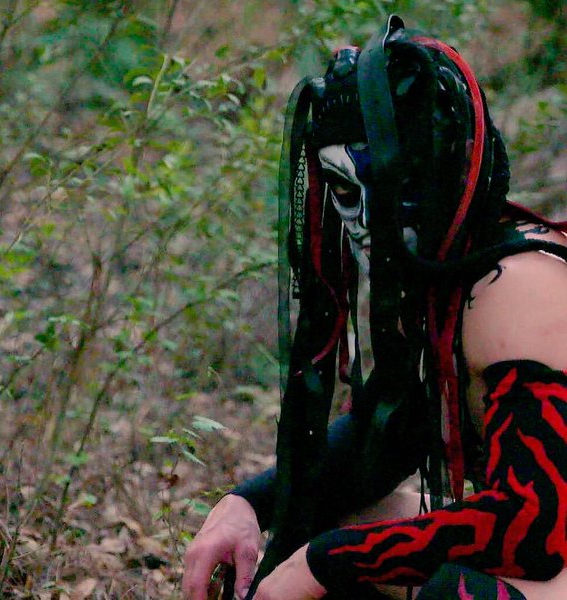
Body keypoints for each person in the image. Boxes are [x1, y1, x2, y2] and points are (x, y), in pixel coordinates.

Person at [183, 16, 567, 600]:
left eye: (395, 187)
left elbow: (532, 531)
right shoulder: (448, 281)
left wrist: (320, 564)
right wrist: (248, 504)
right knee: (327, 520)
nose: (369, 220)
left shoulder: (516, 286)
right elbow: (386, 437)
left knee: (447, 590)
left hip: (549, 547)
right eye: (346, 192)